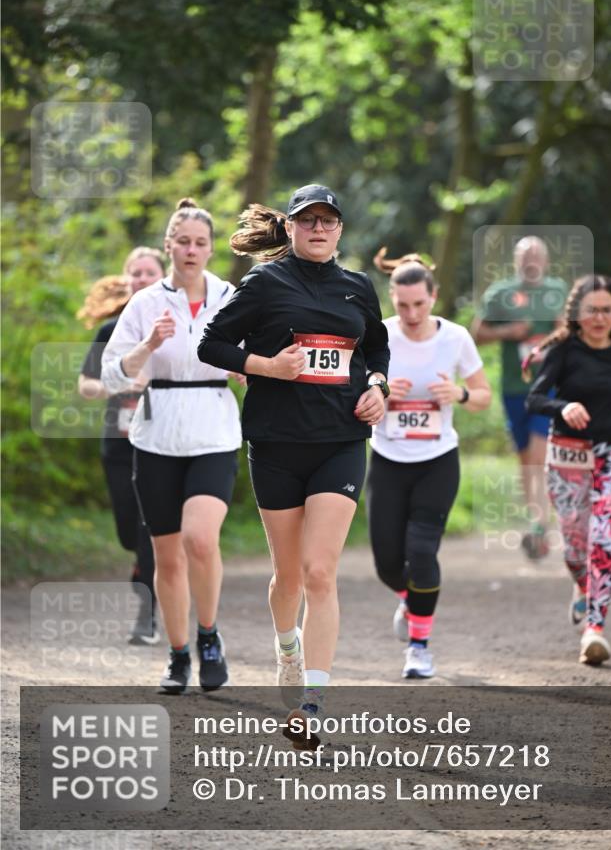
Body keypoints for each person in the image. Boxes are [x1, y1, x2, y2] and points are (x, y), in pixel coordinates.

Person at [198, 184, 389, 742]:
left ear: (340, 230)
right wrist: (266, 366)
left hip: (341, 441)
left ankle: (311, 704)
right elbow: (211, 345)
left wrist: (378, 385)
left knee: (319, 572)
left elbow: (375, 349)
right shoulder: (265, 282)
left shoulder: (358, 288)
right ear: (292, 227)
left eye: (329, 221)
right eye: (309, 221)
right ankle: (288, 650)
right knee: (286, 576)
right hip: (278, 445)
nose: (320, 229)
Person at [101, 199, 242, 693]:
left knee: (201, 540)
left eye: (200, 242)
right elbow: (111, 372)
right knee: (168, 556)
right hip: (157, 433)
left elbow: (251, 360)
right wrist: (148, 347)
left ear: (209, 248)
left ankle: (209, 636)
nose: (191, 250)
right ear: (169, 246)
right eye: (182, 241)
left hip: (213, 431)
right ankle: (178, 654)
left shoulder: (230, 296)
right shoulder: (145, 304)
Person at [525, 275, 611, 665]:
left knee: (603, 537)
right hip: (568, 453)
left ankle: (595, 629)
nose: (600, 318)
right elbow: (535, 398)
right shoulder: (564, 351)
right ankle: (583, 587)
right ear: (578, 314)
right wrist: (562, 407)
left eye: (607, 310)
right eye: (592, 311)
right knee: (575, 545)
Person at [367, 250, 491, 680]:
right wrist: (383, 393)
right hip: (387, 460)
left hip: (438, 461)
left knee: (422, 552)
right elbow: (354, 400)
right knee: (386, 563)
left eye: (419, 304)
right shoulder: (379, 336)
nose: (412, 313)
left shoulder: (455, 338)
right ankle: (414, 598)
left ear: (434, 296)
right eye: (402, 305)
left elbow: (483, 396)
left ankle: (419, 647)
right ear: (392, 300)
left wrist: (457, 394)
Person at [78, 247, 165, 644]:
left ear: (162, 277)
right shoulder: (108, 332)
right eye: (136, 273)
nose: (143, 279)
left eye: (150, 273)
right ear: (126, 280)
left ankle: (147, 615)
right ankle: (139, 565)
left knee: (149, 527)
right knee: (128, 533)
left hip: (162, 442)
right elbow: (87, 386)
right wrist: (117, 384)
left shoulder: (174, 325)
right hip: (118, 440)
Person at [472, 236, 567, 560]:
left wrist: (556, 333)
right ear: (515, 260)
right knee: (527, 459)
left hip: (547, 386)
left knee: (539, 455)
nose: (531, 261)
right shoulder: (500, 293)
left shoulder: (557, 292)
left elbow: (570, 334)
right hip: (514, 387)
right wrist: (507, 332)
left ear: (546, 260)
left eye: (536, 255)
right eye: (525, 255)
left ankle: (540, 526)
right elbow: (476, 333)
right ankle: (539, 520)